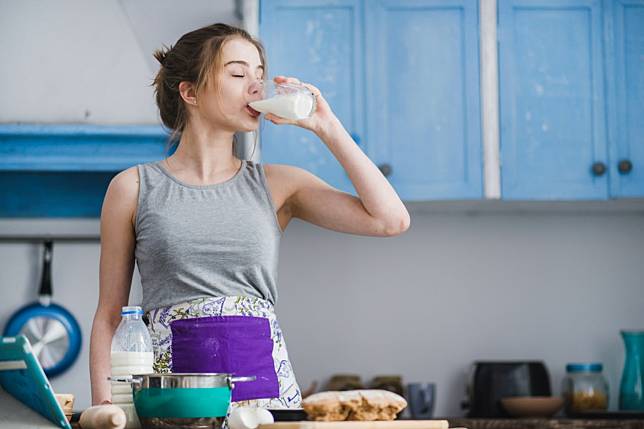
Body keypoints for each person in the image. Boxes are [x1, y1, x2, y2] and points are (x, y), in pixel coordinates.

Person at [89, 22, 410, 410]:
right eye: (238, 74)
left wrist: (327, 126)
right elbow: (110, 316)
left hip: (268, 407)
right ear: (189, 92)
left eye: (259, 74)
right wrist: (106, 407)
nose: (256, 86)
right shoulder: (133, 188)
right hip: (171, 405)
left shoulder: (278, 185)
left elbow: (390, 220)